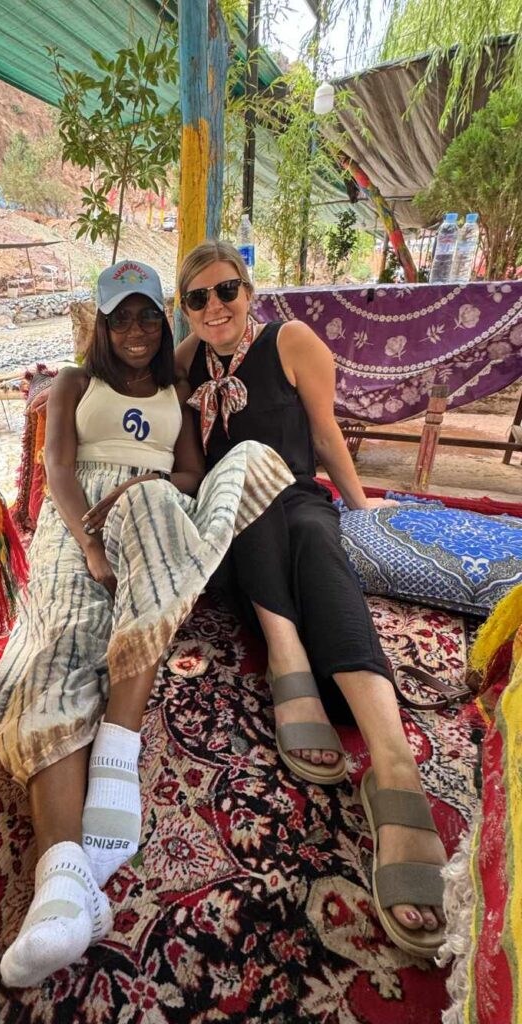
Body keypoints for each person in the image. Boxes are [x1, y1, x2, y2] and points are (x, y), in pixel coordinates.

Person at [0, 259, 294, 987]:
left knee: (162, 511)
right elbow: (58, 467)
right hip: (75, 522)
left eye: (146, 316)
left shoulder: (174, 391)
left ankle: (117, 755)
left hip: (148, 507)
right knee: (55, 644)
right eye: (119, 317)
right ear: (100, 324)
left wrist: (147, 484)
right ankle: (63, 887)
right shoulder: (74, 383)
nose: (134, 329)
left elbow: (189, 471)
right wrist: (88, 545)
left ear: (163, 321)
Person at [175, 239, 447, 959]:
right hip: (230, 528)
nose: (214, 307)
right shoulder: (184, 363)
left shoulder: (289, 341)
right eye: (196, 298)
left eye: (225, 290)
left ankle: (391, 760)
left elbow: (324, 435)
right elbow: (128, 392)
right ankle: (287, 650)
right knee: (245, 482)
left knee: (319, 541)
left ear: (248, 289)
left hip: (298, 504)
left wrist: (361, 512)